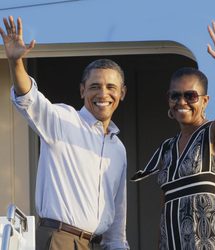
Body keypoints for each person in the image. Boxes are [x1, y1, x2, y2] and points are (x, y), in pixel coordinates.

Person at [0, 16, 129, 250]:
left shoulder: (117, 148)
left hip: (92, 245)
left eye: (111, 87)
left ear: (122, 93)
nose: (103, 94)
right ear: (82, 91)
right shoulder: (63, 120)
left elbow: (118, 214)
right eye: (94, 87)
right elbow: (29, 101)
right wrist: (16, 62)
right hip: (58, 240)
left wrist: (118, 245)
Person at [131, 21, 215, 249]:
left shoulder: (214, 134)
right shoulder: (166, 148)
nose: (182, 102)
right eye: (175, 96)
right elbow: (166, 205)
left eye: (190, 96)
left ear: (205, 101)